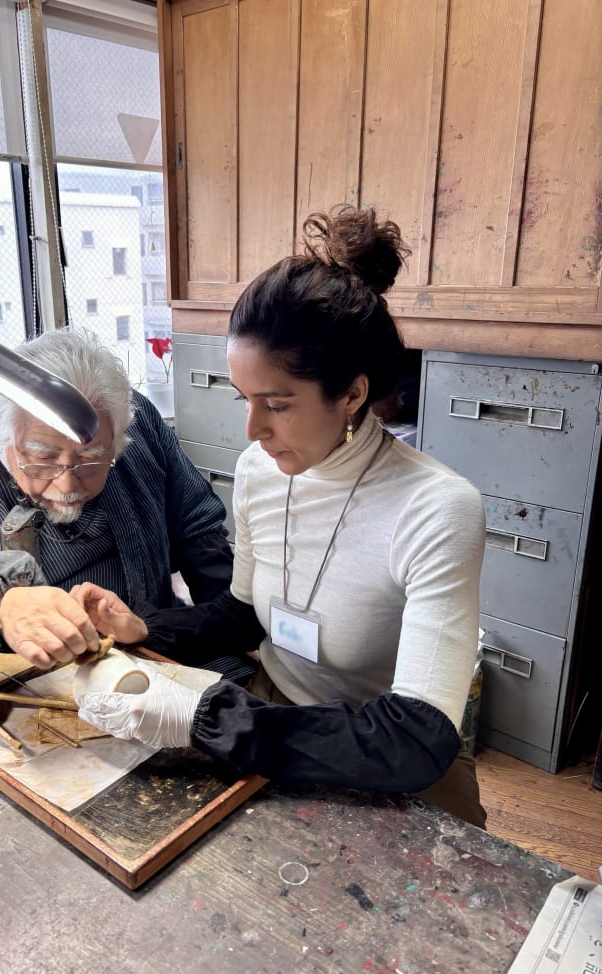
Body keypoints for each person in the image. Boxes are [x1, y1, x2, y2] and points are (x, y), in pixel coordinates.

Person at [71, 206, 488, 827]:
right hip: (277, 715)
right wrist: (144, 628)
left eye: (277, 404)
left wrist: (207, 719)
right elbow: (244, 614)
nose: (253, 429)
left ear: (352, 394)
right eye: (244, 398)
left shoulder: (436, 509)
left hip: (387, 757)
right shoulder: (260, 471)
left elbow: (414, 738)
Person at [0, 327, 235, 681]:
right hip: (39, 688)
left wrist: (229, 625)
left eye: (90, 459)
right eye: (42, 459)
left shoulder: (133, 418)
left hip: (157, 646)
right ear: (6, 442)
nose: (66, 485)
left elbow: (197, 525)